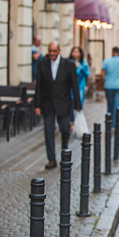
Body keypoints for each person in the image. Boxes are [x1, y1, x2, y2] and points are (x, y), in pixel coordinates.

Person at [35, 41, 81, 169]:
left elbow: (75, 86)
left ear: (59, 51)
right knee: (48, 131)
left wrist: (78, 105)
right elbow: (39, 86)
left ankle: (64, 151)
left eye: (54, 51)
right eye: (50, 51)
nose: (52, 54)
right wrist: (37, 105)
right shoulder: (42, 65)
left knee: (65, 130)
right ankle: (51, 159)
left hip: (64, 103)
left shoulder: (69, 65)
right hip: (48, 103)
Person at [102, 47, 119, 127]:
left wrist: (105, 80)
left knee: (109, 105)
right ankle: (114, 125)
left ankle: (109, 123)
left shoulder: (106, 61)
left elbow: (102, 74)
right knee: (117, 105)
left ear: (112, 52)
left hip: (109, 85)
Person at [69, 47, 90, 125]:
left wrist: (79, 66)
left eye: (77, 52)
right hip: (70, 87)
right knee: (71, 103)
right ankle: (72, 121)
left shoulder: (83, 63)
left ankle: (78, 120)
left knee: (79, 103)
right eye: (73, 51)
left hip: (80, 86)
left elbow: (87, 74)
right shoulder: (69, 62)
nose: (75, 53)